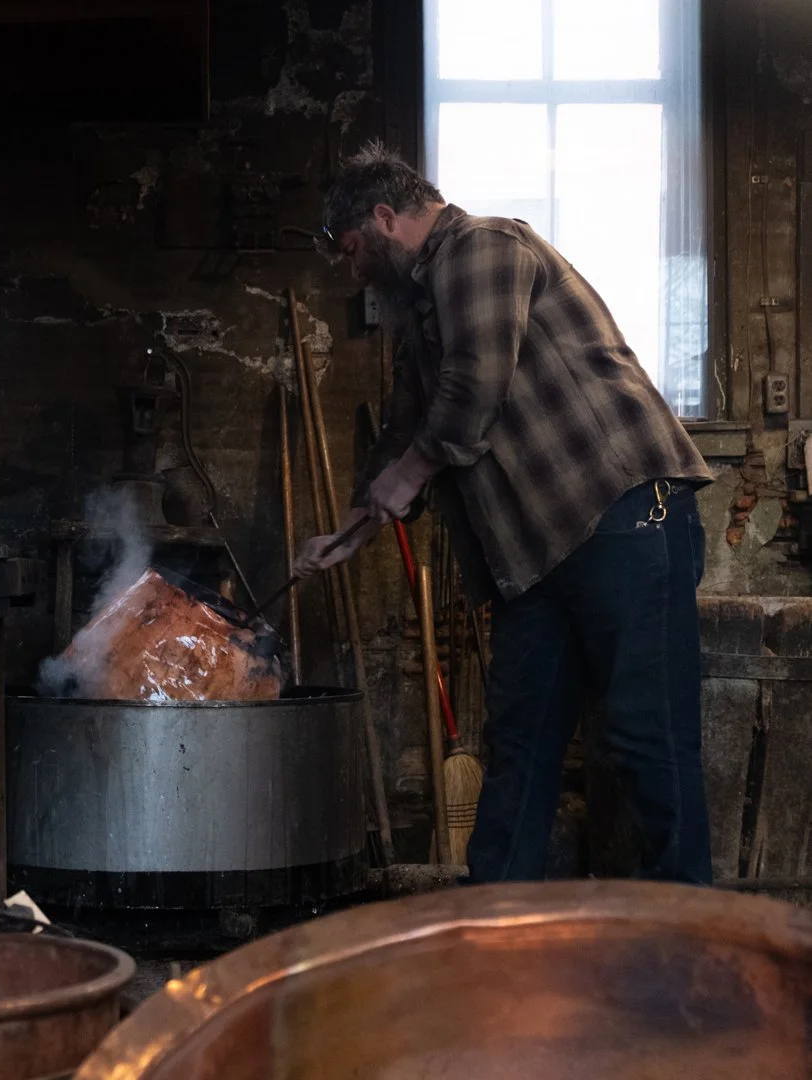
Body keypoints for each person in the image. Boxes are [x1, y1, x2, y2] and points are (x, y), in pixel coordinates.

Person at [293, 143, 714, 885]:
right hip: (535, 558)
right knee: (518, 745)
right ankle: (489, 937)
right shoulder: (422, 311)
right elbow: (404, 434)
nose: (352, 271)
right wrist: (352, 530)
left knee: (649, 739)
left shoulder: (482, 246)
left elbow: (473, 390)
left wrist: (412, 473)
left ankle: (695, 941)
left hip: (623, 519)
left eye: (353, 251)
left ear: (386, 219)